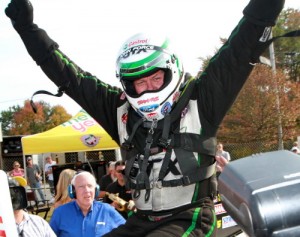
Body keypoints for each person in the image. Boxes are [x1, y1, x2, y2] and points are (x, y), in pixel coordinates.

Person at [4, 0, 285, 235]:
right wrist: (28, 30)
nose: (147, 88)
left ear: (171, 70)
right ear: (127, 84)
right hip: (142, 219)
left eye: (155, 77)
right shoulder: (119, 110)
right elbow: (70, 77)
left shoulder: (203, 100)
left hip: (192, 217)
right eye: (139, 82)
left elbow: (241, 47)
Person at [49, 171, 125, 237]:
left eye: (90, 186)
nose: (87, 190)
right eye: (81, 187)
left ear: (96, 190)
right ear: (73, 191)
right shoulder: (60, 213)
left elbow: (127, 231)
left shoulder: (107, 210)